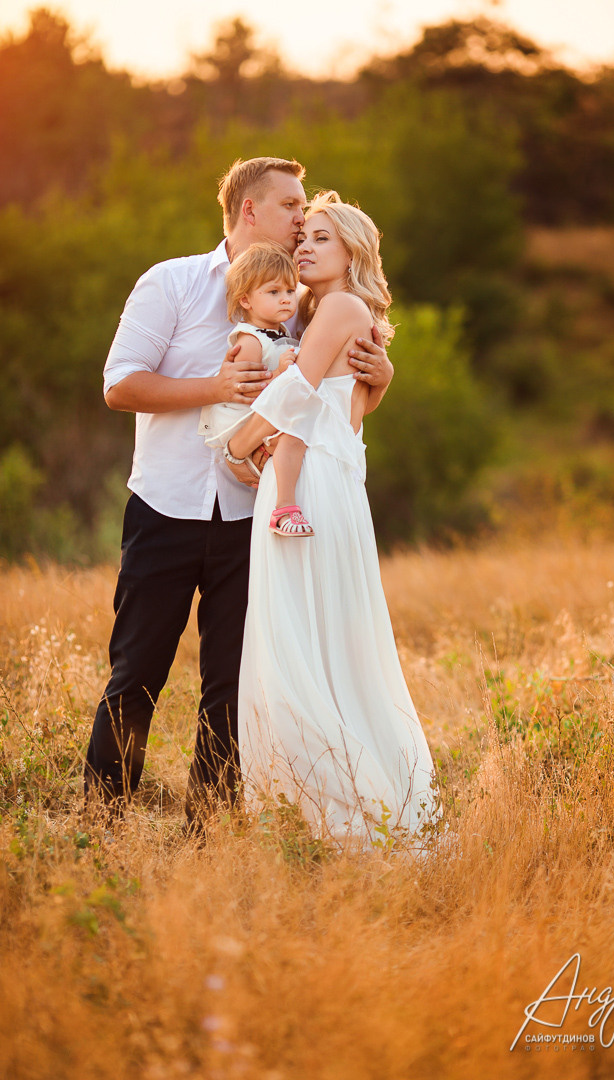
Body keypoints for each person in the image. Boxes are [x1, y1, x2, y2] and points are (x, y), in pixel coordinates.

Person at [84, 157, 394, 826]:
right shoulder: (170, 283)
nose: (301, 221)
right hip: (165, 507)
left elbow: (327, 401)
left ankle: (209, 834)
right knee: (136, 673)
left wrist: (382, 373)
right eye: (291, 207)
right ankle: (100, 826)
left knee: (231, 685)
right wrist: (216, 390)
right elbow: (119, 386)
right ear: (249, 211)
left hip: (253, 517)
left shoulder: (304, 304)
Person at [226, 191, 437, 845]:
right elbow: (350, 408)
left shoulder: (341, 306)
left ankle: (333, 805)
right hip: (329, 481)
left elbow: (298, 394)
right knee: (321, 642)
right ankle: (332, 799)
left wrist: (237, 443)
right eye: (304, 236)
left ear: (352, 251)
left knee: (296, 643)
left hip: (312, 484)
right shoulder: (332, 313)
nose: (305, 246)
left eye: (321, 237)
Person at [198, 240, 314, 537]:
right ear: (246, 300)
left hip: (265, 414)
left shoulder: (282, 332)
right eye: (273, 292)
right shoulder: (250, 340)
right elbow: (244, 391)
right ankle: (284, 509)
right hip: (240, 419)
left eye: (290, 291)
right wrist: (278, 374)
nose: (286, 299)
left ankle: (287, 506)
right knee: (292, 438)